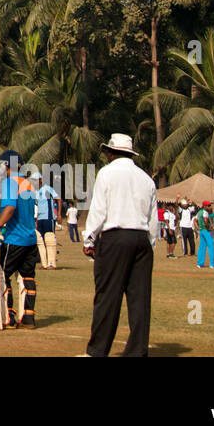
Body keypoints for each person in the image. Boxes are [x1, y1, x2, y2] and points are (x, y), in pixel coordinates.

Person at [82, 133, 157, 357]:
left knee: (108, 296)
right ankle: (137, 352)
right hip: (142, 239)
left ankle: (97, 351)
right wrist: (149, 243)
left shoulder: (106, 174)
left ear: (112, 153)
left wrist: (89, 238)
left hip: (116, 237)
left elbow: (99, 209)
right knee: (140, 300)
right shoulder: (146, 178)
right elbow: (153, 220)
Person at [0, 150, 38, 330]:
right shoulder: (28, 183)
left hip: (14, 238)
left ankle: (6, 317)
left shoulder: (10, 183)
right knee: (28, 278)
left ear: (5, 165)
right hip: (31, 239)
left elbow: (9, 208)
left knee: (2, 276)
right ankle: (28, 319)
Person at [31, 169, 60, 269]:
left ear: (40, 180)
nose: (34, 182)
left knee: (50, 239)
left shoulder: (48, 189)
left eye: (36, 180)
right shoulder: (35, 192)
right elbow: (36, 207)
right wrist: (36, 220)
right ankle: (44, 263)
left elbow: (59, 199)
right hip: (40, 219)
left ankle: (51, 263)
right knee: (40, 241)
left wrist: (59, 214)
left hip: (49, 217)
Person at [195, 201, 214, 269]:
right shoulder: (205, 212)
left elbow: (195, 220)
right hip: (207, 231)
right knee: (211, 246)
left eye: (209, 205)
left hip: (201, 231)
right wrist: (210, 228)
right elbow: (206, 221)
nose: (209, 207)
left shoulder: (199, 212)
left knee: (202, 247)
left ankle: (199, 263)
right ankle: (212, 264)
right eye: (208, 206)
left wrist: (198, 227)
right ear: (204, 206)